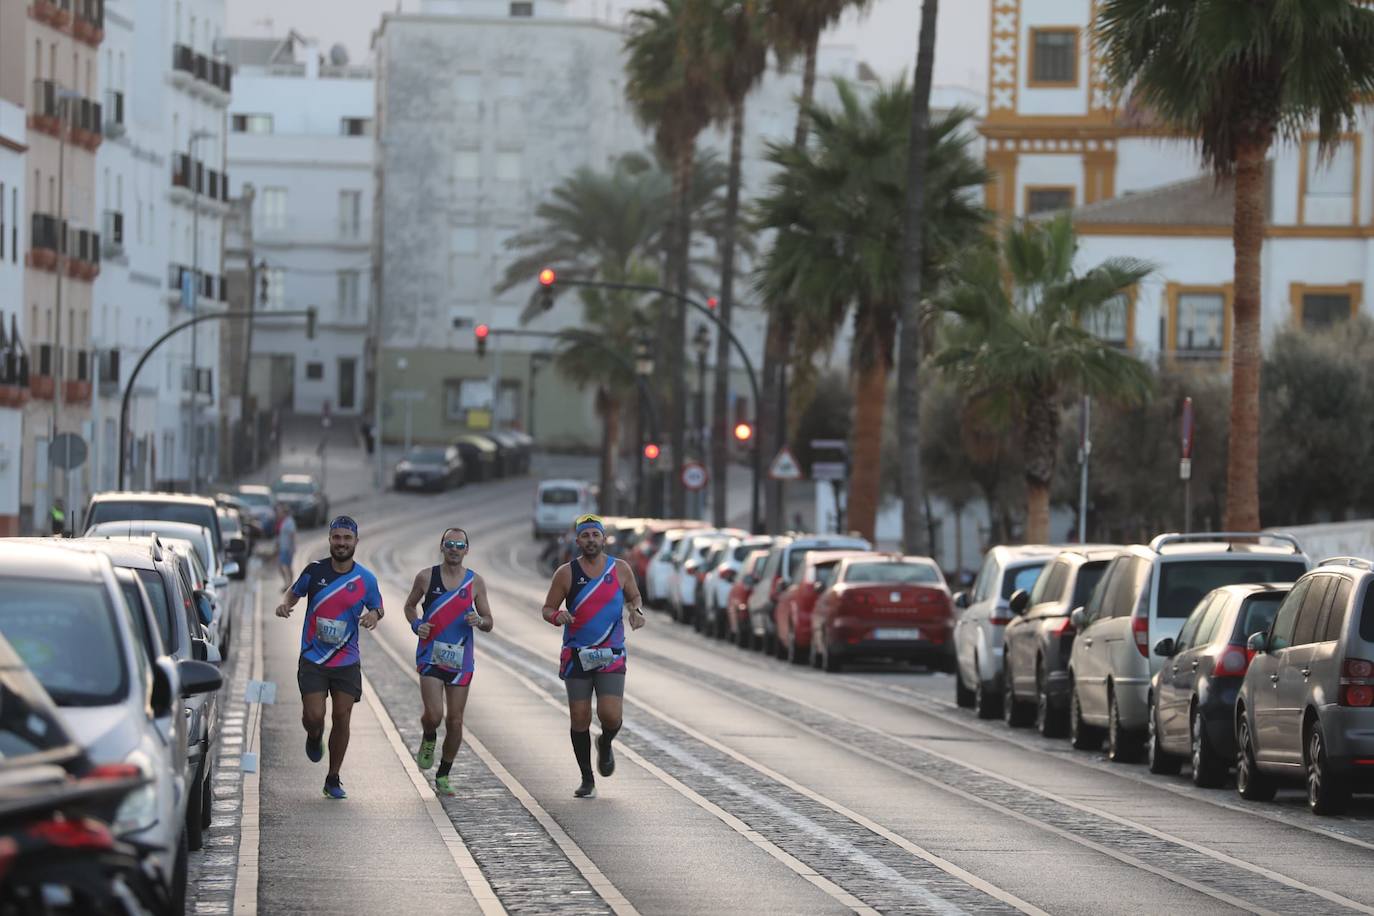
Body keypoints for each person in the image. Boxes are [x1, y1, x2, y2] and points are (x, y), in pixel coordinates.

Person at [275, 515, 383, 800]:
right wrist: (285, 604)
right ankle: (313, 736)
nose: (342, 543)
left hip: (346, 660)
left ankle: (333, 777)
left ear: (356, 542)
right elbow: (294, 592)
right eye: (337, 538)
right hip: (313, 657)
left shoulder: (366, 579)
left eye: (347, 538)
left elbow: (378, 607)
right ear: (330, 540)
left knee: (342, 716)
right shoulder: (314, 571)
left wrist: (373, 615)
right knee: (314, 716)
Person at [539, 514, 645, 799]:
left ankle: (606, 742)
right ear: (578, 541)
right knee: (580, 718)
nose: (590, 541)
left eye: (595, 535)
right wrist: (557, 615)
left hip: (611, 653)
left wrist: (636, 611)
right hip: (577, 654)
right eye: (585, 536)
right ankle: (587, 778)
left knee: (611, 715)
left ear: (603, 539)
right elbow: (547, 608)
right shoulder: (566, 573)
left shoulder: (620, 569)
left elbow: (634, 597)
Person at [402, 527, 493, 797]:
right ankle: (429, 737)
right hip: (431, 656)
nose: (454, 548)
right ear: (442, 547)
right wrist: (417, 624)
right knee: (434, 716)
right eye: (449, 544)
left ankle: (443, 774)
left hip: (460, 660)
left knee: (455, 721)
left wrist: (479, 620)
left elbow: (489, 621)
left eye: (459, 545)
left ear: (467, 550)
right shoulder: (426, 577)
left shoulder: (475, 582)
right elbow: (409, 607)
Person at [276, 503, 297, 588]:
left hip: (287, 548)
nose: (278, 514)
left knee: (286, 566)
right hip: (282, 547)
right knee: (282, 566)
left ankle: (289, 584)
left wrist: (292, 547)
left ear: (285, 513)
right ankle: (287, 583)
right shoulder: (283, 521)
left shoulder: (289, 522)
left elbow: (292, 535)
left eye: (280, 512)